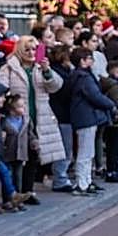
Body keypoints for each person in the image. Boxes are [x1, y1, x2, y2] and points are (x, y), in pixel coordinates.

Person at [0, 36, 66, 205]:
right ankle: (12, 193)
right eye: (27, 49)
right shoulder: (9, 68)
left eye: (34, 49)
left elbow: (56, 86)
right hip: (18, 118)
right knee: (15, 157)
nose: (31, 53)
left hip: (40, 116)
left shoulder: (39, 68)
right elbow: (2, 89)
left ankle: (28, 191)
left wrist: (47, 70)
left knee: (34, 156)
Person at [68, 46, 117, 196]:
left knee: (87, 151)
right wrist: (111, 104)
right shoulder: (84, 77)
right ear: (83, 61)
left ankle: (86, 181)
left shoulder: (79, 76)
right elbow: (95, 95)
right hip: (86, 117)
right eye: (89, 58)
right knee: (85, 151)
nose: (92, 61)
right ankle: (82, 183)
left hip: (85, 116)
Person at [47, 44, 77, 192]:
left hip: (61, 113)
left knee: (64, 148)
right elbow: (66, 92)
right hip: (62, 114)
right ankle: (60, 178)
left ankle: (60, 176)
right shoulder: (63, 74)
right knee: (64, 149)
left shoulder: (60, 71)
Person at [0, 93, 33, 209]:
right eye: (20, 107)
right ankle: (7, 199)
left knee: (18, 176)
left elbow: (30, 134)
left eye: (24, 106)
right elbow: (1, 137)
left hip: (21, 153)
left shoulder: (26, 120)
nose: (23, 109)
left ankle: (18, 198)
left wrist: (34, 143)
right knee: (8, 174)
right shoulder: (4, 122)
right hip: (8, 152)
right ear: (12, 110)